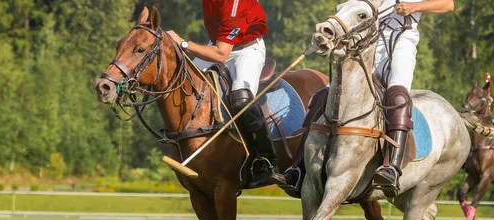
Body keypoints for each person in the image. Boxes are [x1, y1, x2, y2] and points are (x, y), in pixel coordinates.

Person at [272, 0, 455, 198]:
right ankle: (298, 168)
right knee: (321, 96)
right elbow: (350, 10)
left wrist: (414, 7)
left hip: (401, 41)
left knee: (398, 96)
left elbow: (447, 4)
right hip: (365, 42)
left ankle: (391, 167)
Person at [166, 0, 278, 188]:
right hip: (217, 45)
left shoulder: (236, 4)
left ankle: (267, 161)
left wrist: (183, 43)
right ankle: (181, 146)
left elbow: (220, 54)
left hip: (246, 51)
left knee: (241, 100)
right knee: (182, 83)